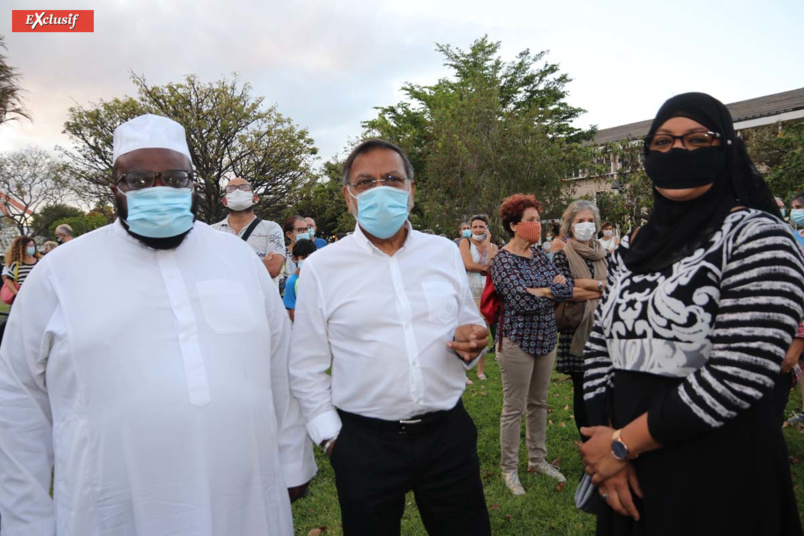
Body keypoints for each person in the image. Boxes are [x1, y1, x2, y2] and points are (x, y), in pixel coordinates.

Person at [0, 114, 316, 535]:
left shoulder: (237, 259)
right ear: (114, 187)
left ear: (192, 185)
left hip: (243, 499)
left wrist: (293, 461)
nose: (158, 190)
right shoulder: (60, 272)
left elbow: (279, 364)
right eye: (138, 179)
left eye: (173, 177)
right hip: (114, 504)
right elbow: (18, 402)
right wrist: (26, 519)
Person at [580, 93, 804, 535]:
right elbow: (598, 349)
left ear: (727, 150)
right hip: (627, 477)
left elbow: (739, 372)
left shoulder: (759, 238)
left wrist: (624, 445)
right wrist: (604, 446)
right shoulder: (635, 248)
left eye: (697, 139)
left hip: (717, 472)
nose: (676, 151)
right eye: (662, 142)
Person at [289, 139, 491, 536]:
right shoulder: (322, 269)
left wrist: (473, 340)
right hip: (366, 443)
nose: (380, 188)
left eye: (392, 179)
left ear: (411, 191)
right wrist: (331, 439)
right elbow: (306, 366)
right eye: (365, 182)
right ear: (349, 198)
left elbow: (468, 323)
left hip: (447, 434)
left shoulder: (442, 252)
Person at [489, 193, 574, 495]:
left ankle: (537, 459)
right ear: (514, 225)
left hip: (546, 337)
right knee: (514, 408)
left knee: (538, 403)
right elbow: (519, 300)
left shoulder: (539, 255)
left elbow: (568, 288)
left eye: (538, 219)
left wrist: (544, 290)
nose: (537, 225)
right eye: (531, 220)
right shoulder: (501, 259)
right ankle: (509, 470)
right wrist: (552, 289)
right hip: (516, 340)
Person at [552, 200, 607, 436]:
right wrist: (601, 286)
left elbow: (619, 286)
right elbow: (566, 291)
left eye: (589, 220)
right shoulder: (561, 256)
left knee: (605, 390)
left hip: (607, 330)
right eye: (580, 221)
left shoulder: (604, 254)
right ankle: (588, 441)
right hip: (577, 331)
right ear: (569, 225)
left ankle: (606, 436)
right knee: (582, 389)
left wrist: (585, 285)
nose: (586, 225)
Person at [211, 177, 285, 281]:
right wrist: (260, 264)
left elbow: (273, 269)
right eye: (231, 189)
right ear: (224, 201)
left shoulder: (271, 228)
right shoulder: (211, 231)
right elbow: (205, 271)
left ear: (255, 198)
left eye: (244, 188)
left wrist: (224, 268)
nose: (237, 191)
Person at [459, 214, 498, 381]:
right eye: (474, 227)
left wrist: (488, 243)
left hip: (486, 292)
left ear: (486, 228)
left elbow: (495, 263)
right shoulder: (465, 243)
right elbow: (468, 264)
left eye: (481, 227)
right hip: (468, 292)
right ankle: (463, 371)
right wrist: (485, 269)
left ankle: (480, 370)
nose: (477, 230)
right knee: (467, 332)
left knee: (484, 331)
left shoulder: (493, 246)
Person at [283, 239, 317, 322]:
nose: (308, 261)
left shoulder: (318, 278)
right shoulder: (292, 282)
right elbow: (292, 313)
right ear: (295, 258)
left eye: (311, 257)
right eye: (304, 258)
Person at [1, 236, 39, 302]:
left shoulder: (40, 262)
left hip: (38, 295)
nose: (32, 247)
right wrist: (16, 293)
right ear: (22, 247)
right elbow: (9, 280)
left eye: (33, 245)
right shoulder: (16, 264)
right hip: (23, 296)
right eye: (29, 245)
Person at [283, 215, 309, 284]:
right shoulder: (282, 254)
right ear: (289, 234)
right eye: (300, 230)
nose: (304, 232)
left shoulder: (314, 253)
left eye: (306, 229)